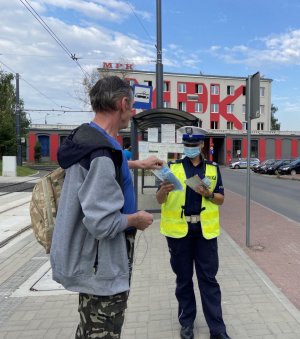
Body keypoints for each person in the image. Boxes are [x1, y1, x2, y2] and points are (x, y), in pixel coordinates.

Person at [50, 76, 163, 339]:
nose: (132, 112)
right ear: (123, 103)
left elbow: (109, 165)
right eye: (132, 106)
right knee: (102, 332)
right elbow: (101, 223)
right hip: (102, 268)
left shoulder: (90, 138)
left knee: (88, 329)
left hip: (94, 262)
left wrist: (138, 164)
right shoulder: (101, 153)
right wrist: (135, 220)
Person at [156, 126, 231, 339]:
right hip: (179, 232)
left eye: (194, 145)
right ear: (183, 146)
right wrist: (162, 190)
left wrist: (209, 194)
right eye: (187, 145)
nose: (190, 148)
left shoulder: (213, 169)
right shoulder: (172, 168)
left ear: (201, 145)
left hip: (205, 232)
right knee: (184, 279)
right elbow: (159, 200)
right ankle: (187, 322)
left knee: (208, 280)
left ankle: (217, 329)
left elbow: (221, 199)